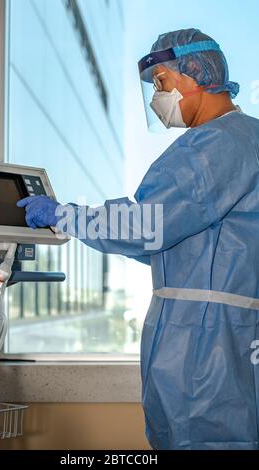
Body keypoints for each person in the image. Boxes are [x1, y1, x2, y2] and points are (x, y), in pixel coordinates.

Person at [17, 28, 259, 450]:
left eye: (162, 82)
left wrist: (67, 215)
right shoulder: (247, 139)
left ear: (196, 73)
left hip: (205, 346)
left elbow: (148, 225)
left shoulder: (213, 147)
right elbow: (197, 246)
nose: (156, 97)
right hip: (232, 337)